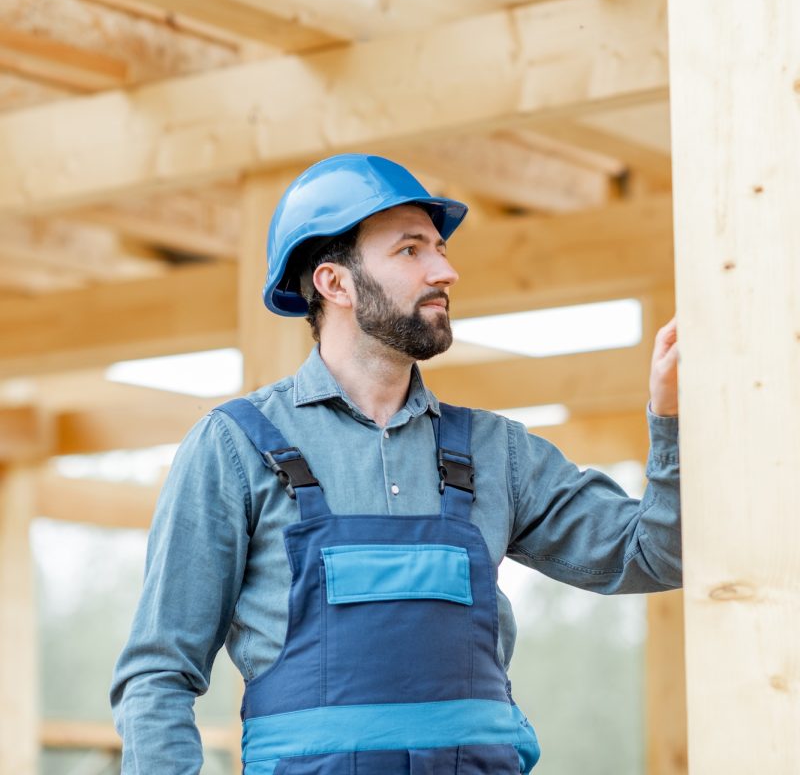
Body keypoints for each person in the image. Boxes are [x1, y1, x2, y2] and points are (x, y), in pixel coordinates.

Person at [111, 154, 681, 774]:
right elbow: (158, 676)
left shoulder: (498, 452)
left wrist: (672, 418)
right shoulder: (235, 448)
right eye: (412, 251)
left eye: (439, 248)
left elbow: (657, 553)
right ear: (336, 284)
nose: (447, 270)